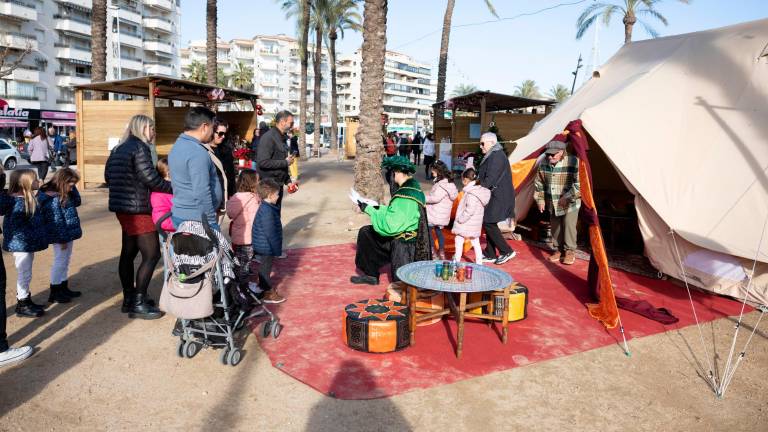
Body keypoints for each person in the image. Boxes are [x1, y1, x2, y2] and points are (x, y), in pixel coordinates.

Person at [105, 114, 171, 319]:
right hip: (138, 209)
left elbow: (108, 176)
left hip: (123, 208)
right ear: (143, 129)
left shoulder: (119, 148)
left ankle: (129, 298)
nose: (154, 132)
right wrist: (174, 188)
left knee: (129, 253)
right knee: (152, 255)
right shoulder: (139, 148)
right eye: (152, 128)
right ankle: (138, 301)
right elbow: (150, 178)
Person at [351, 156, 432, 285]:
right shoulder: (411, 189)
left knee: (368, 234)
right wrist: (375, 207)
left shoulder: (405, 197)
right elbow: (394, 212)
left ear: (397, 172)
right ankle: (371, 274)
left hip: (404, 243)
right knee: (366, 232)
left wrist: (369, 210)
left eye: (391, 174)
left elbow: (390, 226)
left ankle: (398, 281)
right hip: (402, 234)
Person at [1, 169, 49, 318]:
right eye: (35, 180)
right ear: (26, 183)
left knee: (26, 273)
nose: (38, 182)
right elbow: (16, 227)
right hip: (22, 245)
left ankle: (25, 298)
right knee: (24, 273)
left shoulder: (26, 199)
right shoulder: (17, 202)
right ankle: (22, 303)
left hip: (28, 243)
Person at [168, 106, 222, 229]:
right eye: (212, 128)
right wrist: (210, 221)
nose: (213, 133)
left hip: (181, 214)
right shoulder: (197, 152)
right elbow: (201, 190)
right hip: (197, 219)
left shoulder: (177, 145)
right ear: (204, 127)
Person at [38, 168, 83, 302]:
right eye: (71, 185)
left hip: (67, 233)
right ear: (63, 182)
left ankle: (63, 287)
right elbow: (56, 222)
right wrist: (62, 239)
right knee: (60, 261)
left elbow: (77, 201)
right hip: (61, 235)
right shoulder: (51, 198)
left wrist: (72, 188)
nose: (72, 187)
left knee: (65, 260)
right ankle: (55, 291)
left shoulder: (64, 192)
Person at [534, 140, 581, 265]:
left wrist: (567, 196)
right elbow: (539, 183)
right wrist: (540, 199)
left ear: (562, 152)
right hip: (552, 200)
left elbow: (580, 184)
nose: (550, 157)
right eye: (548, 154)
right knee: (556, 226)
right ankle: (558, 249)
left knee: (568, 225)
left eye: (553, 154)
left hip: (570, 201)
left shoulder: (574, 161)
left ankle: (570, 250)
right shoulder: (544, 163)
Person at [477, 132, 516, 265]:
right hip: (496, 194)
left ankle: (506, 251)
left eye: (483, 143)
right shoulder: (493, 154)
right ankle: (490, 253)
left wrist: (475, 185)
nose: (480, 146)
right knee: (488, 221)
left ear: (492, 143)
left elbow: (490, 180)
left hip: (500, 195)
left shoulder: (497, 156)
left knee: (488, 221)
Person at [251, 178, 285, 304]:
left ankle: (263, 287)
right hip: (266, 246)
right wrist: (276, 249)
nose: (278, 197)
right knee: (265, 268)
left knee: (265, 267)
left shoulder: (267, 207)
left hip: (264, 244)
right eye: (277, 194)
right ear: (270, 195)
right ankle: (267, 292)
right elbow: (270, 233)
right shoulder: (267, 211)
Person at [227, 169, 261, 292]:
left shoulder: (236, 197)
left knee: (240, 262)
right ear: (252, 182)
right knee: (244, 265)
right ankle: (242, 288)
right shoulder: (253, 199)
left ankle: (240, 285)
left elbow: (230, 214)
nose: (259, 182)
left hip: (238, 236)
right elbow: (257, 218)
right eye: (257, 180)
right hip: (248, 237)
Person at [256, 110, 295, 210]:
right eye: (291, 123)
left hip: (278, 185)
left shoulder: (281, 137)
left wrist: (288, 181)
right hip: (268, 187)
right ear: (282, 122)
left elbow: (280, 161)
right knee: (269, 217)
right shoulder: (269, 137)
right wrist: (285, 162)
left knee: (275, 217)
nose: (292, 125)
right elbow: (263, 162)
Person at [452, 168, 491, 264]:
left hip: (466, 222)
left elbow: (469, 210)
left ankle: (456, 260)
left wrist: (460, 219)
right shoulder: (479, 191)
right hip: (475, 223)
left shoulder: (471, 193)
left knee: (459, 240)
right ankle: (479, 262)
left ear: (465, 179)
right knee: (475, 242)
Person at [425, 161, 458, 260]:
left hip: (434, 213)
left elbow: (435, 198)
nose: (432, 172)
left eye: (433, 170)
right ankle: (442, 252)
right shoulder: (449, 183)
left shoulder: (442, 184)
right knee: (439, 233)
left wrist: (423, 197)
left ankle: (433, 253)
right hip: (442, 214)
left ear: (438, 170)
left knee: (428, 232)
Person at [210, 121, 237, 199]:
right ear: (211, 132)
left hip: (225, 194)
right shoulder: (202, 150)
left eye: (225, 134)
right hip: (212, 195)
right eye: (220, 133)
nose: (223, 136)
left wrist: (232, 193)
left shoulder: (226, 150)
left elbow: (231, 174)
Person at [150, 158, 174, 232]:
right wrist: (183, 224)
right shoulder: (158, 195)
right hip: (172, 235)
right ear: (168, 174)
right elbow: (162, 221)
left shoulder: (174, 189)